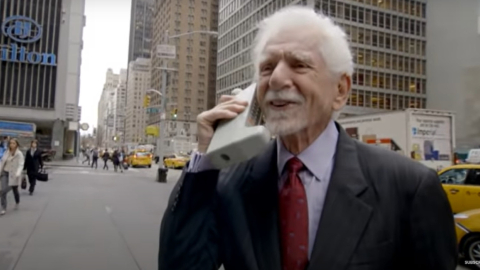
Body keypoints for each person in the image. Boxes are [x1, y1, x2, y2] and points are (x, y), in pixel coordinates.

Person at [158, 6, 457, 270]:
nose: (276, 79)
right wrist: (206, 160)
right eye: (267, 67)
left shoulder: (409, 187)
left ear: (340, 90)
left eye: (299, 64)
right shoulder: (229, 182)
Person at [0, 138, 24, 215]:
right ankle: (3, 208)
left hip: (14, 175)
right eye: (10, 143)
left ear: (17, 144)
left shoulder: (19, 154)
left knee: (15, 190)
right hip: (5, 173)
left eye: (13, 143)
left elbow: (21, 164)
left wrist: (18, 173)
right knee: (3, 190)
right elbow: (2, 162)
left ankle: (17, 201)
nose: (12, 145)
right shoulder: (6, 152)